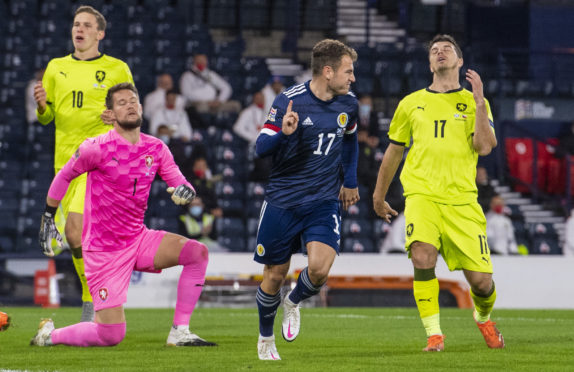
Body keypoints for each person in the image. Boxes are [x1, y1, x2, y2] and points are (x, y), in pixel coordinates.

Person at [31, 83, 216, 348]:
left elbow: (180, 181)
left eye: (133, 100)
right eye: (121, 102)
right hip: (104, 251)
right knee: (111, 335)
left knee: (197, 253)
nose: (129, 105)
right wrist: (49, 216)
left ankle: (180, 332)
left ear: (141, 108)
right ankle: (49, 335)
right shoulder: (96, 147)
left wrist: (185, 191)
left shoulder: (156, 148)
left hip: (137, 238)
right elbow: (64, 176)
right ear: (111, 113)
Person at [372, 34, 503, 352]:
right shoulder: (411, 103)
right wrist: (379, 195)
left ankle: (483, 317)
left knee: (482, 283)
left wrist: (480, 103)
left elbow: (485, 147)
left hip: (462, 200)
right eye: (434, 50)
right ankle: (434, 335)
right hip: (422, 195)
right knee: (421, 255)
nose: (439, 52)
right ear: (430, 63)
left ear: (459, 61)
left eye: (447, 49)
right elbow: (394, 152)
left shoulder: (475, 104)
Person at [254, 39, 359, 360]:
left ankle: (294, 301)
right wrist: (282, 133)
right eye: (348, 71)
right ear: (328, 72)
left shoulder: (349, 104)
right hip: (283, 201)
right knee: (273, 275)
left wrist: (350, 181)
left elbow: (351, 142)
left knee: (319, 269)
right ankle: (265, 339)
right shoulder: (289, 100)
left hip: (323, 201)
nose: (352, 78)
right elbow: (260, 147)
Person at [33, 5, 134, 322]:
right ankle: (98, 296)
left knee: (76, 232)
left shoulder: (117, 68)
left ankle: (90, 306)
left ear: (100, 33)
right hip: (64, 166)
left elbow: (132, 113)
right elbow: (48, 118)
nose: (80, 29)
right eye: (76, 24)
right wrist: (40, 107)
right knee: (76, 237)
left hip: (99, 162)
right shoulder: (55, 67)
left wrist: (116, 116)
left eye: (87, 25)